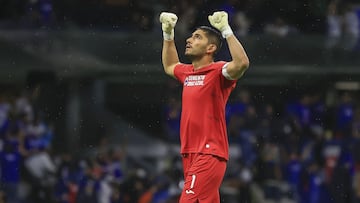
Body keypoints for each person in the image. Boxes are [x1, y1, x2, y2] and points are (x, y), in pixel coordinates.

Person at [159, 10, 250, 202]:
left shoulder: (218, 72)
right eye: (191, 36)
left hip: (209, 152)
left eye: (197, 37)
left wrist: (226, 30)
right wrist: (168, 33)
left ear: (210, 48)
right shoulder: (188, 73)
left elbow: (241, 63)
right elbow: (170, 65)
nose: (189, 40)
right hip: (189, 152)